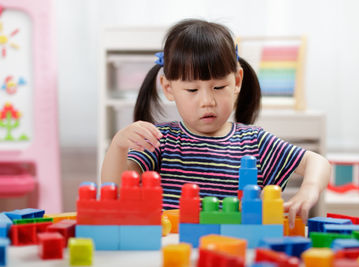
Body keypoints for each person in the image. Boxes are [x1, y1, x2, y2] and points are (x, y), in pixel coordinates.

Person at [101, 18, 331, 228]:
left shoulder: (254, 142)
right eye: (192, 90)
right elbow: (117, 189)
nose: (207, 101)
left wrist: (308, 189)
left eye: (218, 87)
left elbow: (318, 162)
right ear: (169, 88)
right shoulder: (160, 142)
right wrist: (118, 145)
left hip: (232, 251)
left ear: (237, 80)